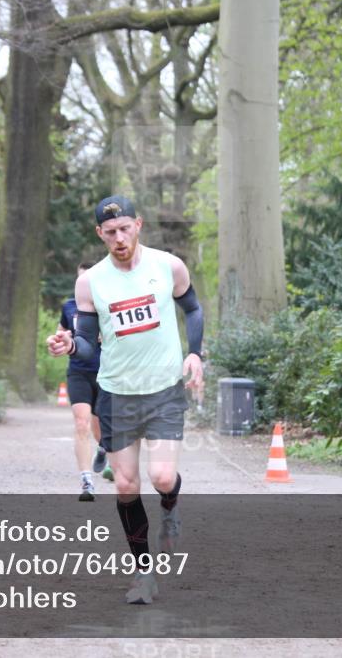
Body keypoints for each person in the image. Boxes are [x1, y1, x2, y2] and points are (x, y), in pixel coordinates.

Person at [47, 194, 205, 605]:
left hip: (164, 389)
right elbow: (86, 343)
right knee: (125, 484)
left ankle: (170, 509)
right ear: (100, 234)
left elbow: (193, 309)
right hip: (116, 393)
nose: (119, 238)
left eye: (125, 229)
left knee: (164, 478)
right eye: (110, 232)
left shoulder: (168, 266)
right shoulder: (91, 282)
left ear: (139, 225)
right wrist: (68, 346)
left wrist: (195, 352)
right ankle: (144, 574)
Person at [57, 261, 114, 502]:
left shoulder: (109, 305)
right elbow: (62, 331)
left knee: (101, 426)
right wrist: (61, 339)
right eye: (81, 279)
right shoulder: (69, 307)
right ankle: (87, 481)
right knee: (81, 423)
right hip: (78, 371)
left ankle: (103, 449)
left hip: (106, 372)